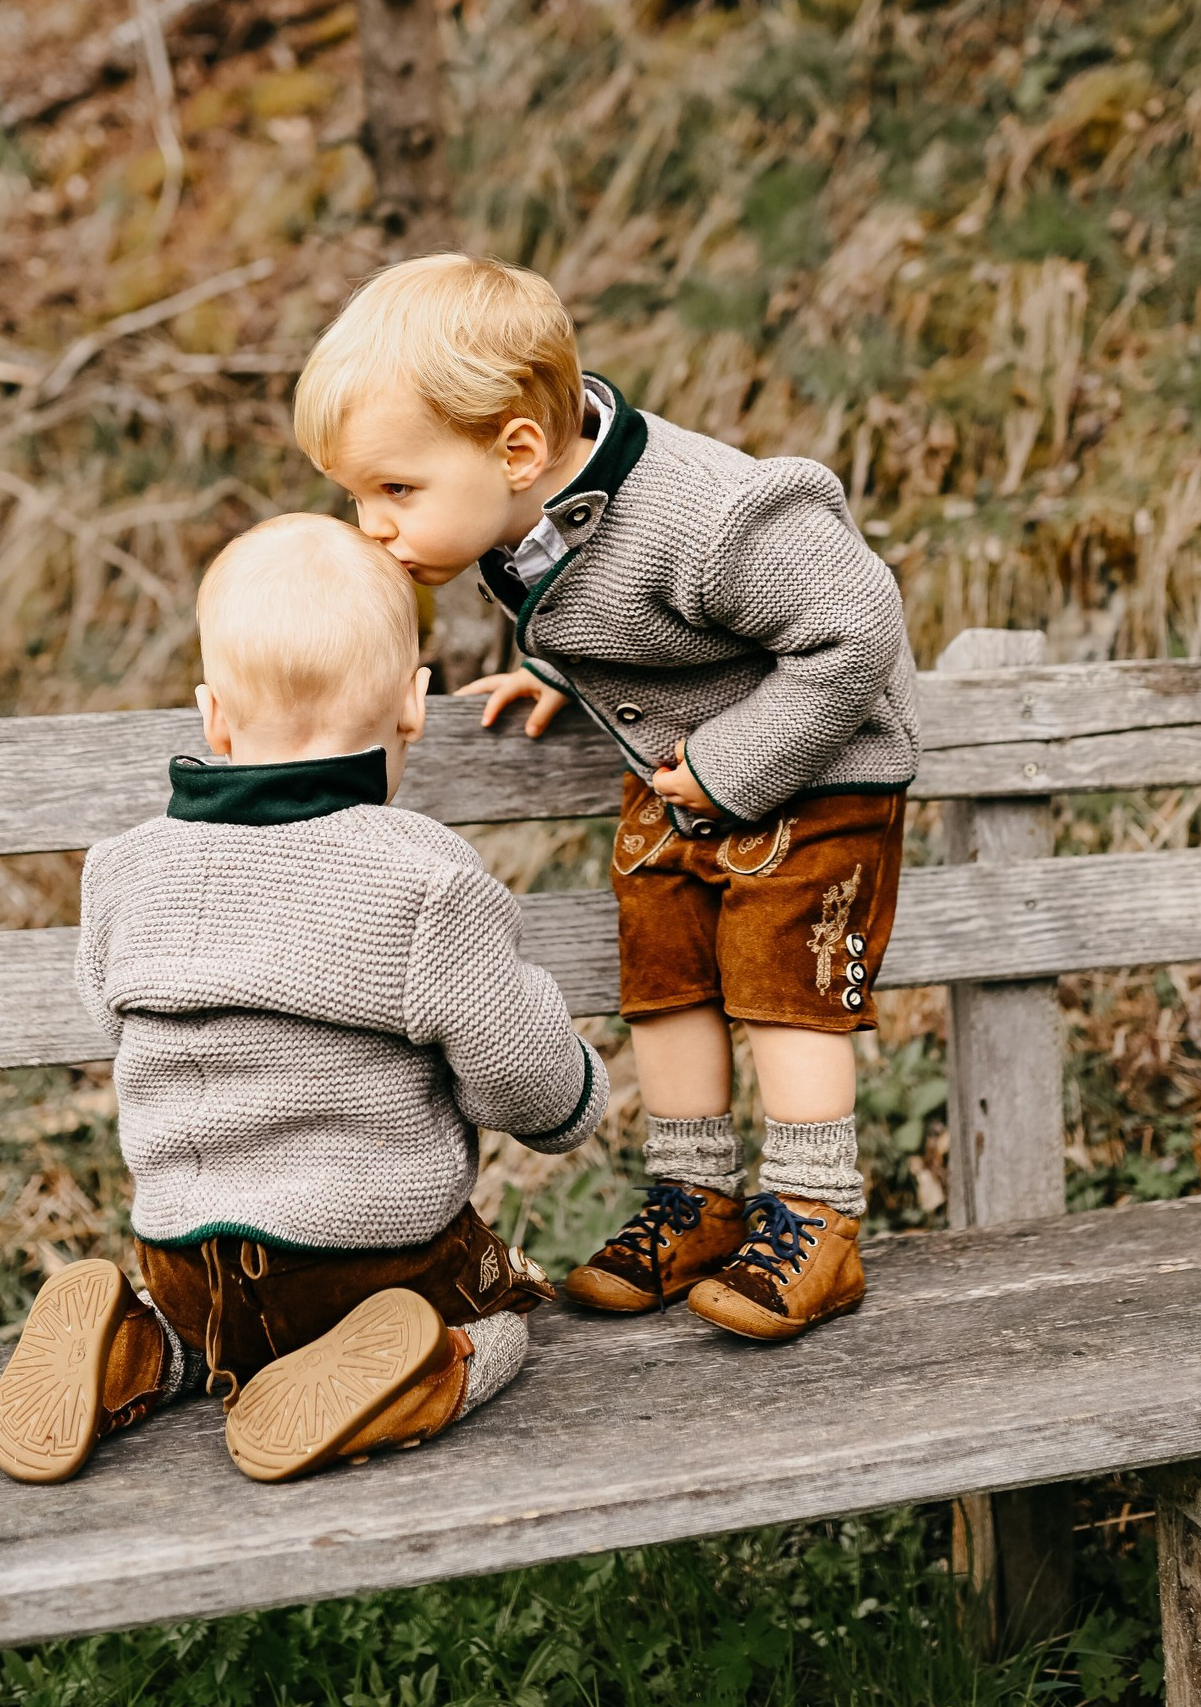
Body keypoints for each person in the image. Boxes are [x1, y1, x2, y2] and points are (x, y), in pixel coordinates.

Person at [293, 256, 919, 1343]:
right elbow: (606, 598)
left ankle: (817, 1213)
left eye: (395, 491)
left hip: (817, 770)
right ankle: (698, 1199)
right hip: (684, 786)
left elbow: (854, 625)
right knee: (665, 974)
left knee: (782, 980)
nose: (373, 525)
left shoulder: (711, 519)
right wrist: (560, 668)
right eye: (359, 495)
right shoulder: (522, 499)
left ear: (518, 449)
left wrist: (738, 765)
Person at [0, 513, 606, 1485]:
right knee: (502, 1317)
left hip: (184, 1263)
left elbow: (106, 1015)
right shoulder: (423, 878)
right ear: (411, 706)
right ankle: (412, 1368)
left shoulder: (125, 868)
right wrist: (576, 1092)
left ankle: (141, 1350)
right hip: (362, 1264)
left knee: (216, 1332)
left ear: (214, 715)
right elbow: (525, 1083)